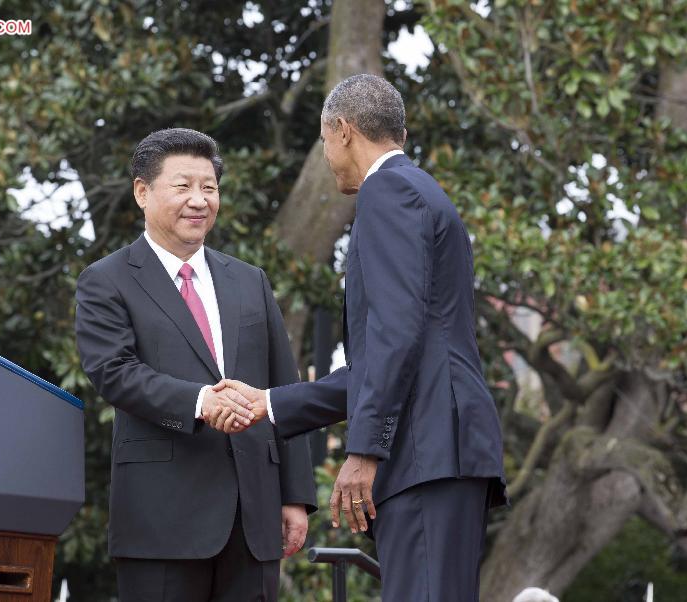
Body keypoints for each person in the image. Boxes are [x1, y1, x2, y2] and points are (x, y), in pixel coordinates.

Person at [213, 74, 507, 601]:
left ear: (343, 131)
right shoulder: (421, 191)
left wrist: (365, 450)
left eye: (324, 141)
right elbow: (386, 357)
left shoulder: (388, 192)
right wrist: (272, 403)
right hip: (442, 449)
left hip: (425, 452)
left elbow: (397, 337)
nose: (327, 157)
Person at [75, 128, 317, 601]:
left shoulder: (250, 281)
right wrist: (200, 401)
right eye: (182, 186)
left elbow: (282, 386)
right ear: (142, 192)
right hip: (161, 517)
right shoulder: (107, 280)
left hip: (254, 515)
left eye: (209, 187)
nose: (199, 200)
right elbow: (114, 371)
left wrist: (295, 496)